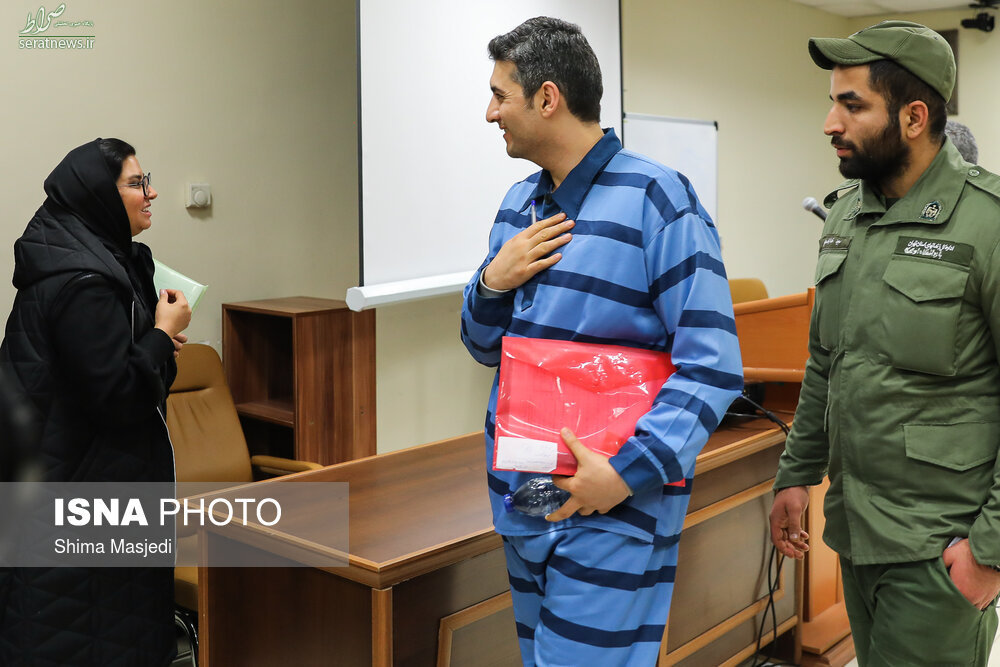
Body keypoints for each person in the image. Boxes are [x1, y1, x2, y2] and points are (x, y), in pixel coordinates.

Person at [460, 17, 742, 666]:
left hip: (614, 506)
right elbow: (481, 346)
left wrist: (622, 476)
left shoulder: (658, 198)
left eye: (500, 95)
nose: (490, 113)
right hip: (523, 498)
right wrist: (493, 281)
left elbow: (713, 364)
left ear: (548, 98)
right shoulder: (517, 205)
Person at [769, 21, 1000, 667]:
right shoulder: (846, 215)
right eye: (832, 103)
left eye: (852, 105)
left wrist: (989, 549)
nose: (830, 123)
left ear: (914, 117)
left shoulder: (987, 223)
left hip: (939, 550)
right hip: (857, 532)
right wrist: (796, 473)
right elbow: (826, 362)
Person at [0, 138, 190, 665]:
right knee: (82, 635)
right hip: (82, 490)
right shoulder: (84, 281)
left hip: (81, 484)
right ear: (99, 196)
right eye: (136, 183)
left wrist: (157, 342)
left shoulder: (97, 259)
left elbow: (136, 378)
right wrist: (162, 334)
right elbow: (120, 397)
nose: (151, 193)